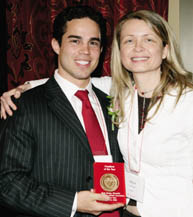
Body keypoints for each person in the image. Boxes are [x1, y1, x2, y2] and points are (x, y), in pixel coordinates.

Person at [1, 9, 193, 217]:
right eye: (129, 41)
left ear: (165, 50)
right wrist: (24, 87)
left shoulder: (187, 100)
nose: (138, 48)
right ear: (56, 45)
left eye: (148, 40)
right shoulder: (119, 93)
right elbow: (7, 181)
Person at [0, 5, 125, 217]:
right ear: (56, 45)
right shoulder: (24, 105)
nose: (85, 51)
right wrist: (74, 202)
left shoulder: (113, 102)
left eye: (93, 43)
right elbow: (7, 182)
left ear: (101, 50)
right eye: (75, 41)